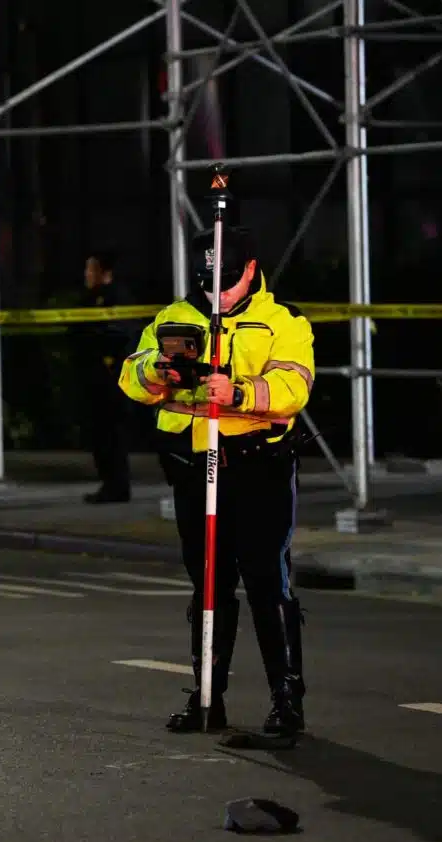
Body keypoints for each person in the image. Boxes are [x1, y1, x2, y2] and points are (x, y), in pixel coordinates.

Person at [117, 225, 315, 738]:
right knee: (207, 585)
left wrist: (241, 392)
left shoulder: (281, 320)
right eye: (208, 281)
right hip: (191, 469)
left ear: (251, 269)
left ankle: (286, 700)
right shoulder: (174, 317)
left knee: (268, 582)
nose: (216, 292)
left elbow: (295, 386)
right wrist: (157, 371)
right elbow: (130, 377)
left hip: (258, 467)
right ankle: (207, 696)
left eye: (226, 281)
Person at [75, 249, 137, 503]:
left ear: (104, 272)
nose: (86, 275)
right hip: (95, 378)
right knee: (99, 434)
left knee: (112, 435)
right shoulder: (90, 299)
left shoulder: (117, 299)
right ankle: (109, 484)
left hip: (112, 380)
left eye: (91, 269)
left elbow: (121, 336)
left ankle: (117, 485)